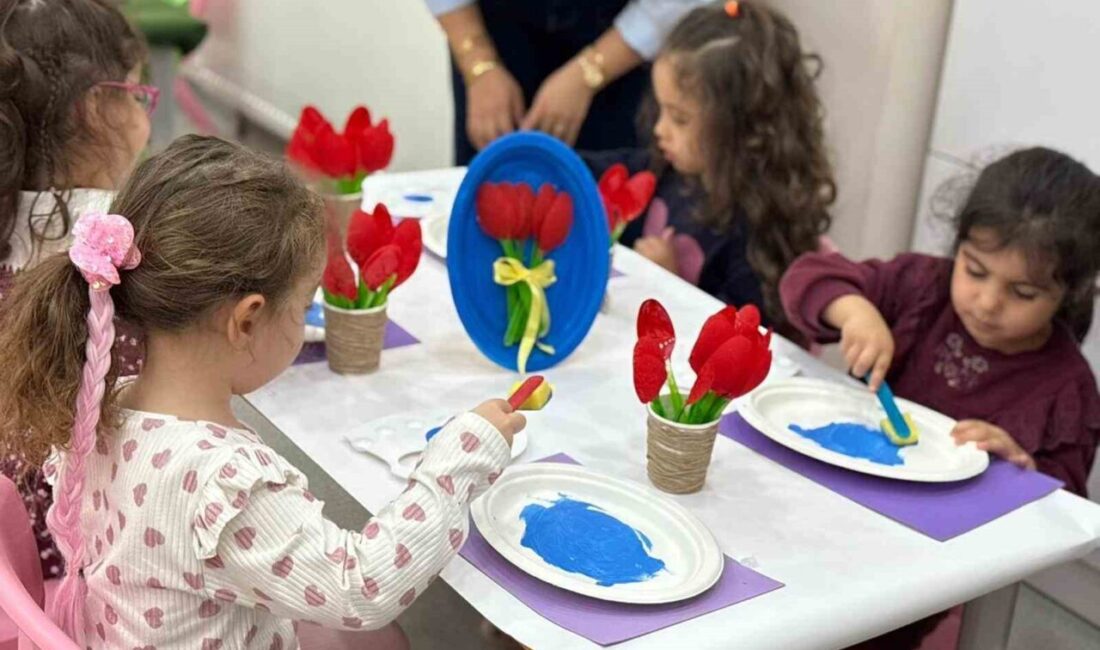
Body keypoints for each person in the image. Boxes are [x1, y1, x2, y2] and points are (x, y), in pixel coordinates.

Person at [0, 135, 526, 648]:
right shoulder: (221, 485)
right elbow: (361, 589)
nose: (302, 323)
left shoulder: (99, 405)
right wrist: (457, 463)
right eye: (301, 307)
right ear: (247, 320)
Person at [781, 147, 1100, 498]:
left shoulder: (1069, 389)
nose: (988, 303)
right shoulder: (921, 285)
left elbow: (1068, 512)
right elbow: (806, 276)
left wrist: (1021, 468)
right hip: (843, 485)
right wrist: (854, 311)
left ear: (1068, 292)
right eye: (975, 271)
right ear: (958, 246)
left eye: (1023, 292)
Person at [0, 0, 154, 581]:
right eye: (140, 95)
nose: (144, 113)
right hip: (91, 572)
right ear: (98, 108)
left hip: (12, 573)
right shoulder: (120, 261)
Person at [586, 0, 835, 339]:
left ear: (741, 126)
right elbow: (590, 175)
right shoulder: (668, 168)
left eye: (680, 118)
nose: (660, 129)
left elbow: (745, 340)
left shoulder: (757, 230)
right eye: (661, 109)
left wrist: (671, 285)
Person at [425, 0, 706, 164]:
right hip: (494, 37)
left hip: (625, 47)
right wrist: (479, 65)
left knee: (609, 222)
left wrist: (589, 72)